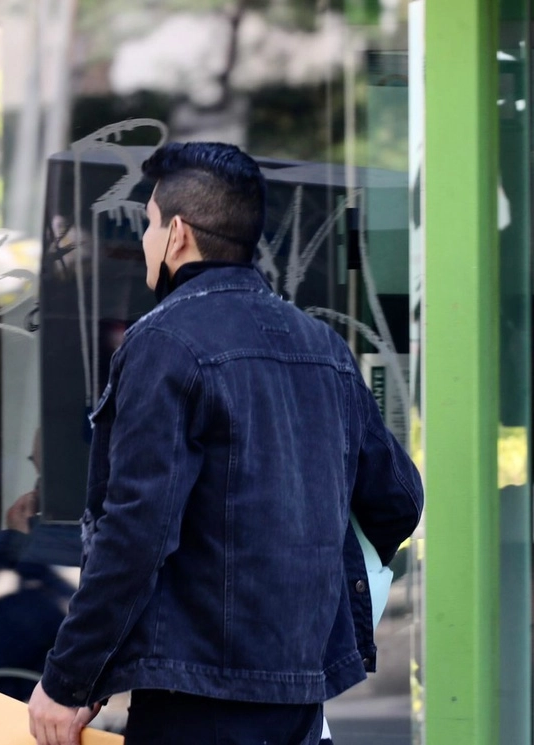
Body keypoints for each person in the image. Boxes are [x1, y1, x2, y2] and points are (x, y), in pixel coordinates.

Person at [27, 142, 423, 745]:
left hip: (198, 699)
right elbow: (399, 499)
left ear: (177, 234)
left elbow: (135, 533)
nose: (144, 242)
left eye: (149, 225)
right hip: (300, 695)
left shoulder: (164, 343)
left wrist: (69, 680)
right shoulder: (324, 347)